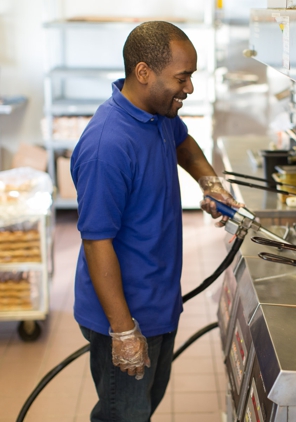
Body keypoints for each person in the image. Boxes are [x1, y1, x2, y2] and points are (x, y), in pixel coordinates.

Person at [71, 21, 240, 422]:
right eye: (182, 78)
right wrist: (124, 332)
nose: (190, 88)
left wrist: (210, 182)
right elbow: (96, 242)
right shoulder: (107, 146)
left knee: (141, 408)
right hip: (125, 313)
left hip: (159, 301)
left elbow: (183, 142)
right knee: (124, 416)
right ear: (143, 72)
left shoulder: (158, 112)